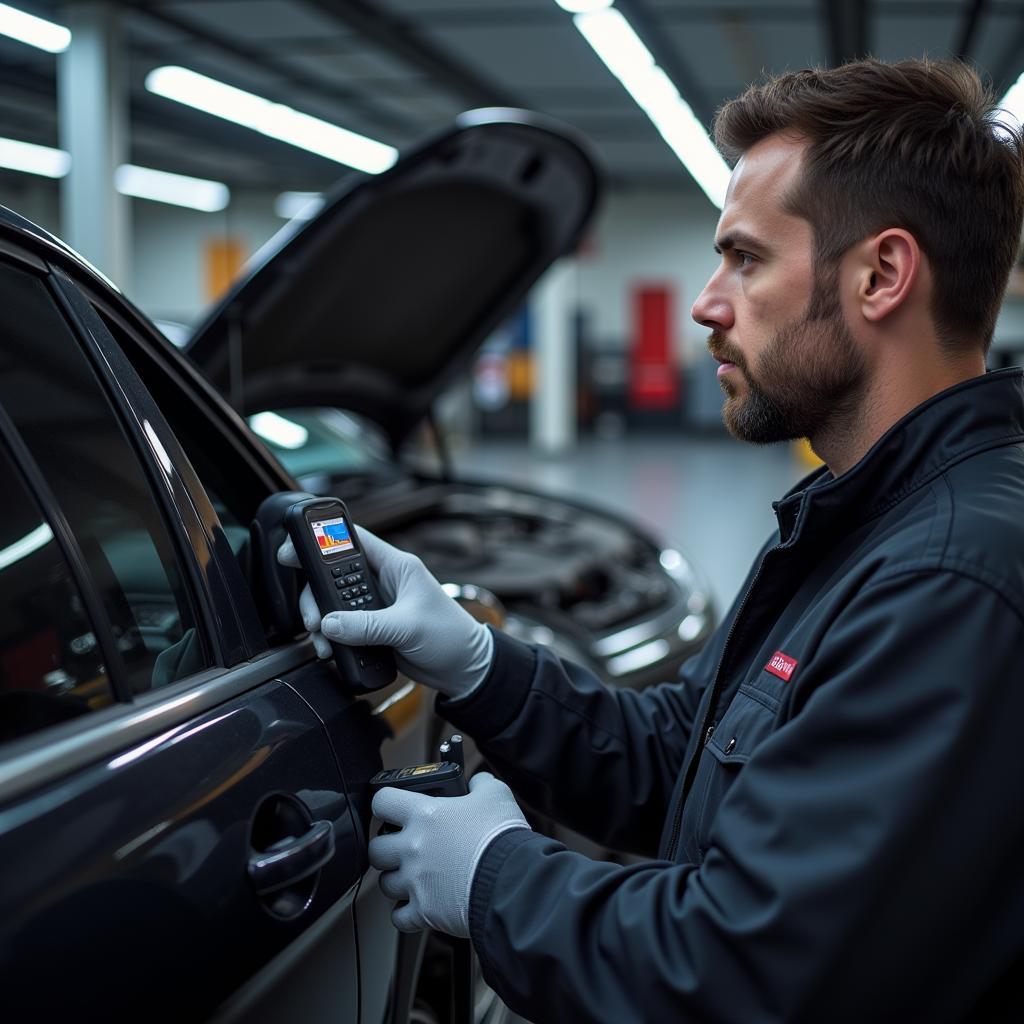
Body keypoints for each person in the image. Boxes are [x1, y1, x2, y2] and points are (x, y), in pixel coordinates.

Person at [282, 58, 1024, 1022]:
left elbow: (751, 973)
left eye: (746, 258)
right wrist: (476, 664)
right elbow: (684, 752)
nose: (708, 304)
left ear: (881, 275)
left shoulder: (950, 579)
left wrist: (498, 879)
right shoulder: (865, 518)